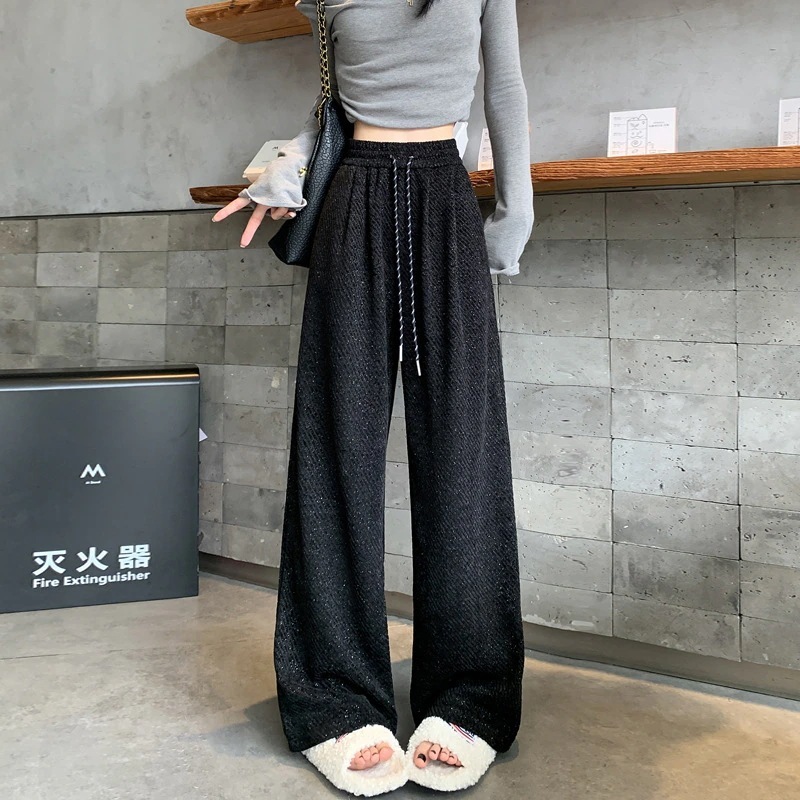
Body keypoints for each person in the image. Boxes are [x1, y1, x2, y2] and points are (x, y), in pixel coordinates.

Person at [212, 0, 534, 794]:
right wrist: (287, 165)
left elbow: (506, 88)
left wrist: (514, 215)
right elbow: (329, 100)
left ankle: (469, 697)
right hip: (353, 196)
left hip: (446, 196)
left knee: (464, 454)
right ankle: (335, 697)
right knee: (336, 450)